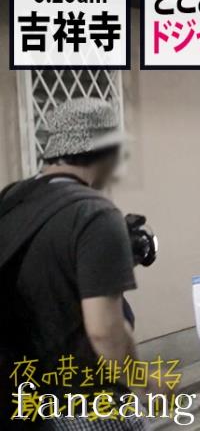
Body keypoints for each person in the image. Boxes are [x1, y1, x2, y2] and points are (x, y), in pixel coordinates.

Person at [0, 98, 147, 430]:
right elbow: (105, 332)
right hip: (87, 405)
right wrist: (146, 384)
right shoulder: (95, 213)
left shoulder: (12, 198)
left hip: (24, 398)